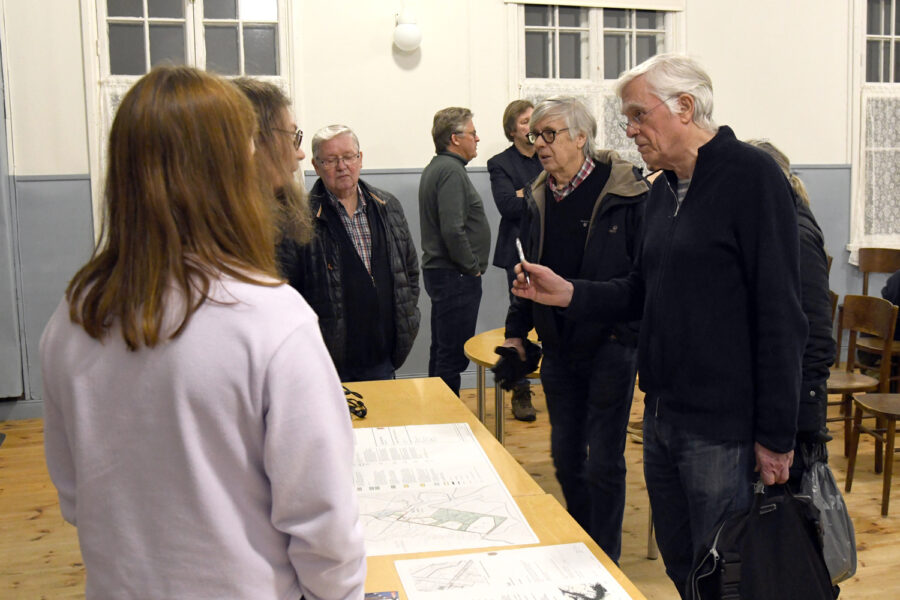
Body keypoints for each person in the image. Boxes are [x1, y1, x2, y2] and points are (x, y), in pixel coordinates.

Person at [40, 66, 366, 600]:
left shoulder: (74, 314)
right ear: (229, 172)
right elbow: (324, 529)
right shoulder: (270, 318)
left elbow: (75, 495)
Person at [510, 54, 806, 598]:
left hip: (723, 426)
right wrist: (568, 292)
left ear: (685, 107)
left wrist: (776, 437)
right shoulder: (664, 189)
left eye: (638, 115)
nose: (629, 130)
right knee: (682, 563)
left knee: (723, 574)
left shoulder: (751, 178)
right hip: (662, 415)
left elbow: (781, 314)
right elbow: (641, 291)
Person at [502, 97, 647, 562]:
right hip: (559, 347)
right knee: (566, 459)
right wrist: (516, 333)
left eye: (550, 134)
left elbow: (640, 281)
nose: (540, 145)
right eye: (535, 136)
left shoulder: (626, 192)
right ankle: (586, 542)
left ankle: (606, 560)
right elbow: (527, 270)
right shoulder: (539, 196)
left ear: (581, 137)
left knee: (603, 461)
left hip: (609, 345)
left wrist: (619, 328)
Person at [282, 124, 420, 382]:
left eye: (348, 157)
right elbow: (288, 293)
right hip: (327, 362)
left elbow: (410, 271)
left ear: (360, 158)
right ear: (316, 165)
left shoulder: (387, 205)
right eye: (331, 160)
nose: (342, 166)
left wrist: (408, 315)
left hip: (383, 357)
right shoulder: (299, 218)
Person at [747, 139, 836, 486]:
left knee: (786, 510)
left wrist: (793, 429)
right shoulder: (770, 227)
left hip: (794, 417)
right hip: (775, 406)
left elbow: (815, 340)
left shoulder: (796, 234)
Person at [419, 107, 491, 396]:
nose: (477, 138)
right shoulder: (450, 171)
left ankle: (438, 410)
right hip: (455, 275)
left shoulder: (441, 167)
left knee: (443, 350)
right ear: (455, 138)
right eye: (472, 133)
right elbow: (452, 228)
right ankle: (447, 416)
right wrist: (471, 267)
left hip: (447, 274)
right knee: (451, 355)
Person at [487, 99, 543, 421]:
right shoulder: (500, 163)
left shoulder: (548, 154)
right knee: (519, 321)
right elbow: (508, 206)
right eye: (524, 121)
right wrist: (540, 190)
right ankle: (520, 391)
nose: (531, 126)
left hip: (549, 247)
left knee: (552, 319)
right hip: (518, 249)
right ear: (512, 130)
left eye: (534, 120)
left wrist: (525, 192)